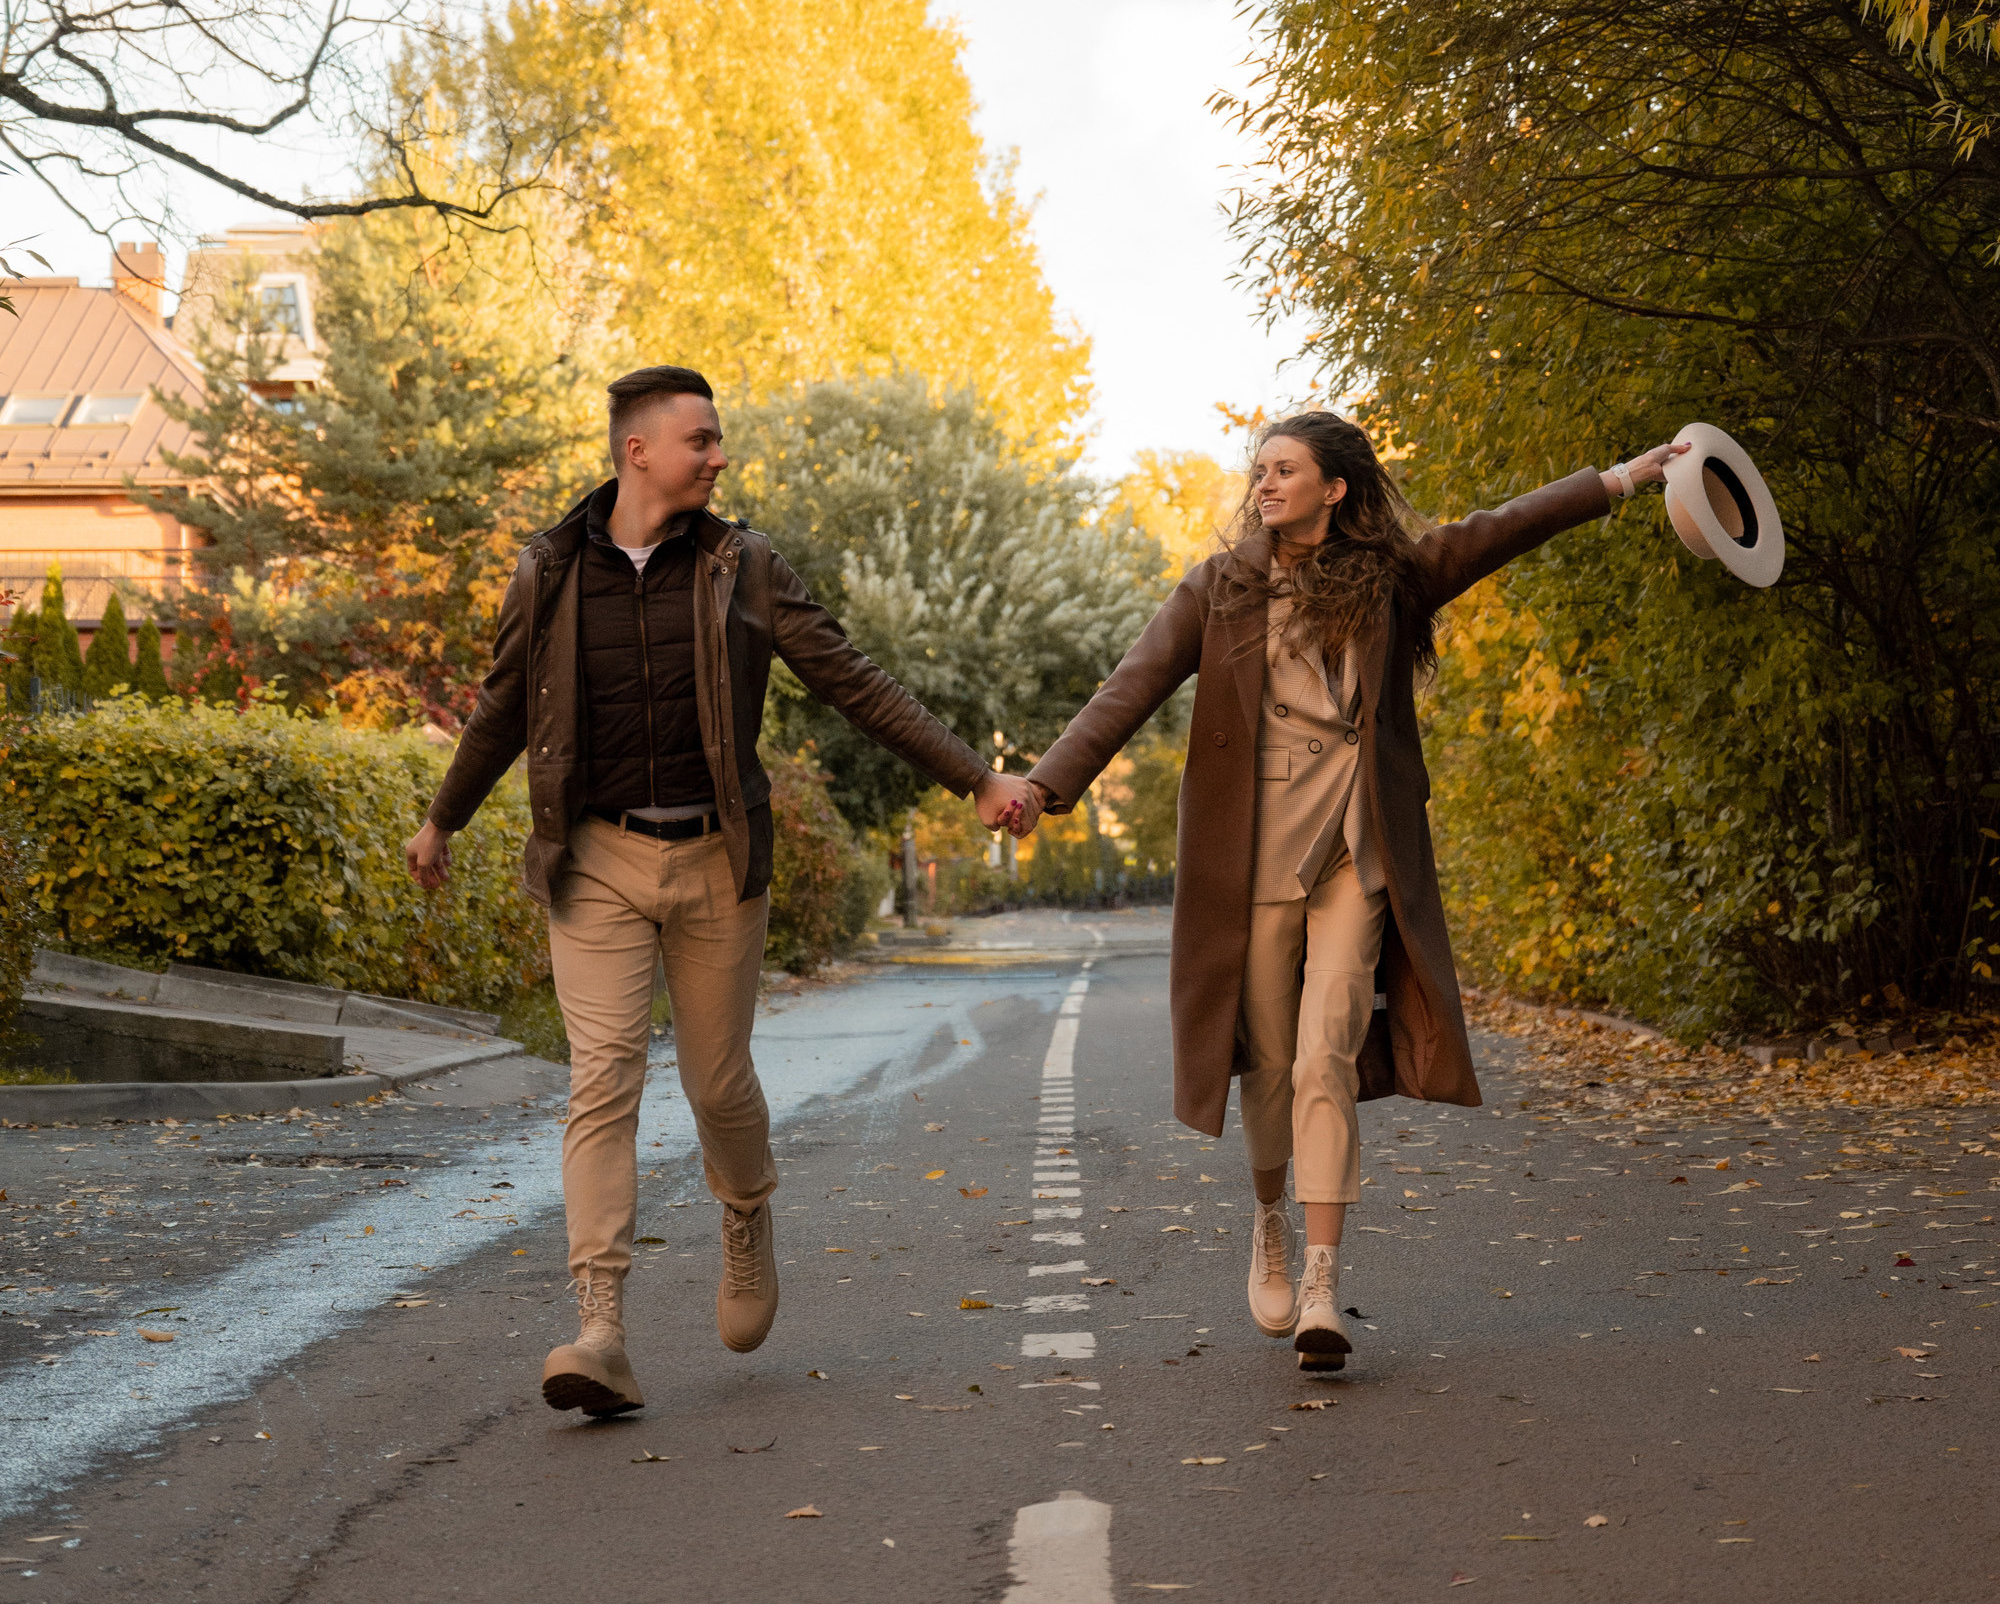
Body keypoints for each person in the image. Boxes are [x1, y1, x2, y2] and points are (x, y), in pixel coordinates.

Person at [405, 365, 1024, 1420]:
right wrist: (442, 815)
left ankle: (745, 1210)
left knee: (716, 1083)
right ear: (637, 450)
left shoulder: (745, 566)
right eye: (701, 438)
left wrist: (976, 775)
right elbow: (506, 700)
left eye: (718, 437)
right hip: (594, 858)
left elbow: (853, 678)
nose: (719, 454)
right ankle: (600, 1327)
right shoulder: (548, 568)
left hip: (713, 861)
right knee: (600, 1078)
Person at [1008, 413, 1687, 1372]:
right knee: (1273, 1065)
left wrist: (1622, 478)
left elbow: (1497, 530)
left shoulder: (1390, 581)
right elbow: (1132, 685)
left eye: (1284, 470)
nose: (1263, 484)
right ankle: (1270, 1217)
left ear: (1334, 487)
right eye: (1259, 470)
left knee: (1328, 1053)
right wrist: (1043, 785)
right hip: (1252, 861)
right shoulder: (1221, 590)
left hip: (1357, 855)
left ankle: (1324, 1281)